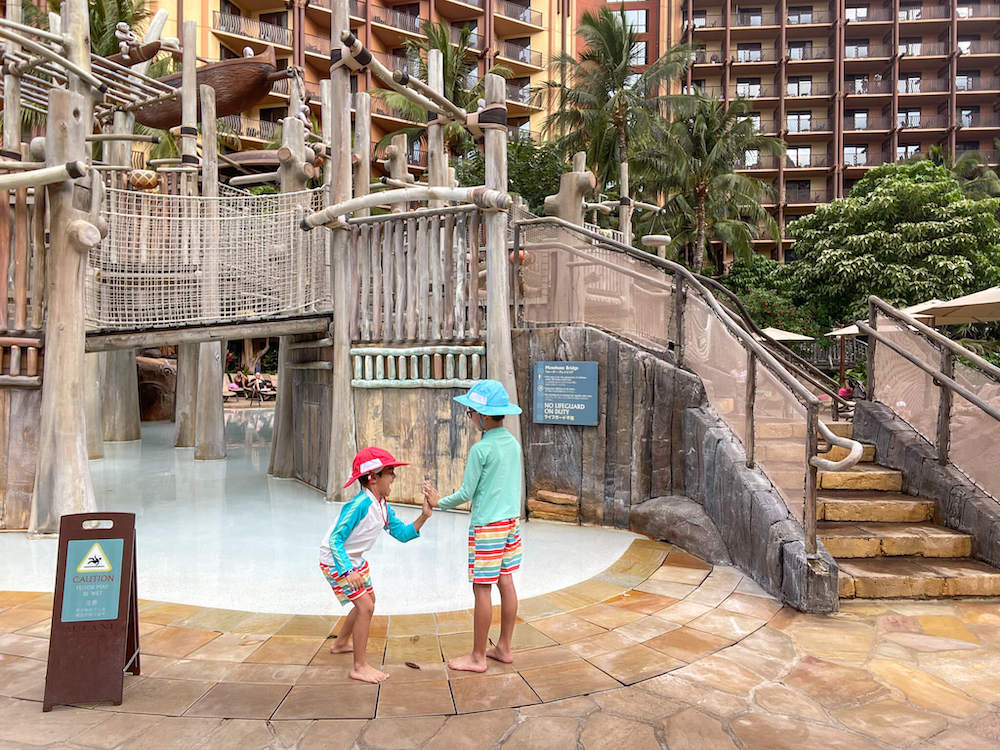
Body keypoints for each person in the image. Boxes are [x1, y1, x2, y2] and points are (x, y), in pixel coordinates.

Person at [423, 380, 523, 673]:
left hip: (487, 528)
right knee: (506, 582)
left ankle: (478, 657)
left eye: (470, 412)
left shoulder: (481, 450)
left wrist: (439, 501)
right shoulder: (512, 444)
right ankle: (504, 646)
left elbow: (467, 493)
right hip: (510, 524)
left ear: (481, 415)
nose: (469, 417)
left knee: (482, 589)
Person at [320, 447, 432, 683]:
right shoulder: (360, 504)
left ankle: (341, 643)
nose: (394, 476)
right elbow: (335, 539)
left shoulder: (381, 506)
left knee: (369, 602)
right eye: (390, 472)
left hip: (353, 559)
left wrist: (424, 516)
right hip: (336, 559)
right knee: (365, 607)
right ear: (373, 478)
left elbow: (401, 534)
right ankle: (359, 667)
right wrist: (347, 571)